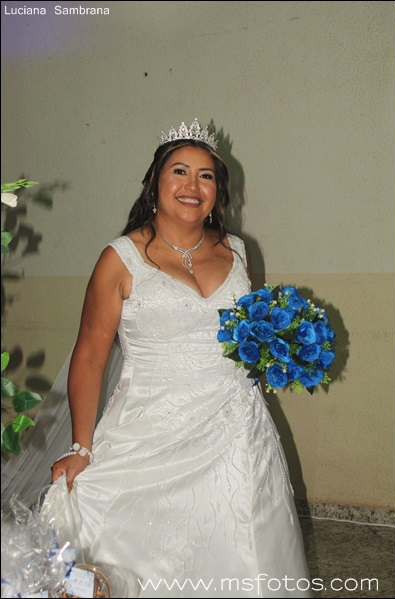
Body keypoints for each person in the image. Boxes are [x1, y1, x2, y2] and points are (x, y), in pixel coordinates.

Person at [47, 119, 311, 597]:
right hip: (150, 429)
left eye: (206, 176)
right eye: (180, 172)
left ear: (217, 190)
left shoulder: (237, 251)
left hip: (235, 431)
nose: (193, 186)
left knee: (243, 544)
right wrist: (81, 447)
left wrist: (282, 349)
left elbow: (242, 334)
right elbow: (89, 357)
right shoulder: (120, 258)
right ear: (155, 182)